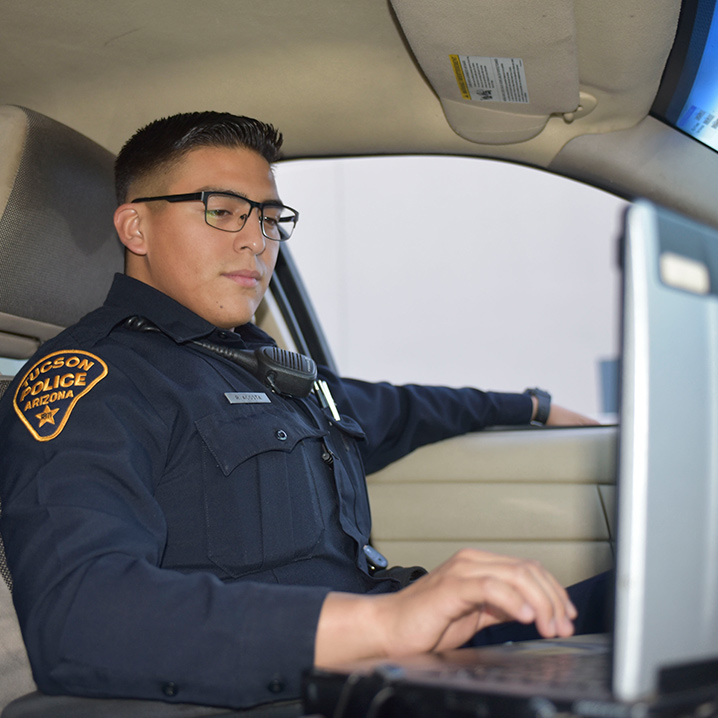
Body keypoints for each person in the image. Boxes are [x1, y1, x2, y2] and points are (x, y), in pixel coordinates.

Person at [0, 112, 607, 709]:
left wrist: (534, 406)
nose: (255, 239)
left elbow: (402, 408)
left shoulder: (258, 363)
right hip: (296, 688)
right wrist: (385, 624)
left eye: (269, 218)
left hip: (393, 663)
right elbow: (81, 614)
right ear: (136, 229)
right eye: (222, 210)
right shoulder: (92, 379)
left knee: (645, 604)